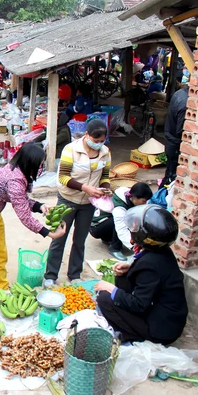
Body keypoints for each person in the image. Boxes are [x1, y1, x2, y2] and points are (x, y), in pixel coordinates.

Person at [0, 144, 67, 289]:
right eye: (40, 164)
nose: (41, 168)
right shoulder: (14, 181)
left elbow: (20, 198)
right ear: (30, 162)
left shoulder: (17, 170)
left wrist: (39, 206)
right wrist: (48, 233)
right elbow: (24, 216)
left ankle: (2, 287)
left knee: (1, 255)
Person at [95, 205, 187, 344]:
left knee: (104, 298)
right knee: (123, 277)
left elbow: (139, 305)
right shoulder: (162, 251)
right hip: (169, 318)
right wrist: (129, 268)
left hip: (160, 330)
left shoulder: (150, 264)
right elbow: (151, 279)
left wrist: (110, 289)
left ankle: (132, 336)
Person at [44, 119, 111, 287]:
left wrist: (105, 188)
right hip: (67, 199)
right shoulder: (71, 150)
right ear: (87, 135)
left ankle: (74, 274)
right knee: (59, 238)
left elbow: (105, 175)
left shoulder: (105, 152)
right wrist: (84, 187)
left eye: (102, 141)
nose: (99, 144)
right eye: (96, 141)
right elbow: (63, 177)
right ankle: (50, 275)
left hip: (88, 203)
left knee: (80, 241)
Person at [90, 182, 153, 261]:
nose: (145, 203)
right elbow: (121, 230)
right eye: (143, 201)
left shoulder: (129, 195)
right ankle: (114, 248)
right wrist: (135, 247)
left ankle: (107, 238)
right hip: (96, 228)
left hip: (106, 221)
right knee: (123, 221)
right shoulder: (119, 208)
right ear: (135, 197)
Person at [163, 86, 189, 186]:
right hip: (175, 145)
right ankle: (162, 199)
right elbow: (181, 130)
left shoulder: (179, 93)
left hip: (170, 139)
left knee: (169, 174)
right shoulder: (185, 103)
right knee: (171, 178)